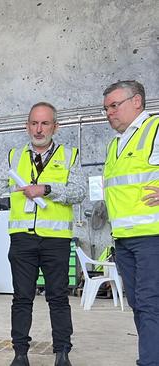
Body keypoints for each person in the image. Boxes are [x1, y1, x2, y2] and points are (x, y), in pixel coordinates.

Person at [0, 102, 86, 366]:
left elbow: (79, 193)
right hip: (23, 239)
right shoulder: (14, 156)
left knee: (58, 298)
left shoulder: (70, 156)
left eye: (45, 123)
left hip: (56, 241)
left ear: (55, 126)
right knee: (22, 298)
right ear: (27, 126)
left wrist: (47, 189)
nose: (39, 129)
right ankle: (20, 355)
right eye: (34, 123)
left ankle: (62, 353)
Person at [102, 80, 159, 366]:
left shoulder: (155, 128)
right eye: (106, 108)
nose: (109, 113)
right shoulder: (116, 144)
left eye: (115, 105)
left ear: (136, 102)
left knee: (150, 304)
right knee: (140, 305)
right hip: (124, 239)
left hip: (153, 237)